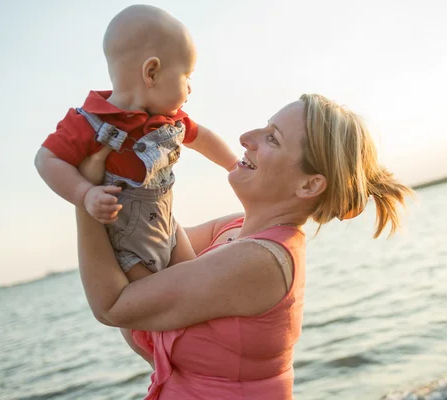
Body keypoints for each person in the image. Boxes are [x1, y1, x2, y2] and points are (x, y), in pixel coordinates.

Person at [75, 94, 413, 399]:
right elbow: (143, 248)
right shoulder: (234, 229)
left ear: (310, 184)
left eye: (272, 139)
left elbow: (114, 305)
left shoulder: (261, 261)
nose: (245, 139)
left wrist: (84, 194)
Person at [34, 4, 238, 282]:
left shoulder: (170, 119)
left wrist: (233, 165)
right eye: (186, 76)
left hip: (170, 231)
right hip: (130, 249)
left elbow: (202, 138)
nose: (190, 87)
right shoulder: (90, 122)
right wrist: (84, 194)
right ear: (151, 73)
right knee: (154, 305)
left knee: (196, 283)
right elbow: (46, 159)